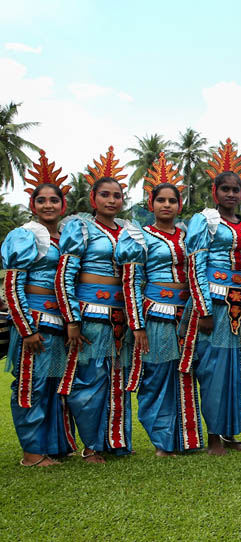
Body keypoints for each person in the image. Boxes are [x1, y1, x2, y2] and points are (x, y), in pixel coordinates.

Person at [182, 141, 241, 455]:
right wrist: (203, 309)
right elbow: (195, 265)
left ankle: (232, 433)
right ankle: (214, 436)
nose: (231, 194)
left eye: (236, 190)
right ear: (215, 191)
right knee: (214, 371)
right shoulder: (205, 221)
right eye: (226, 189)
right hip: (215, 306)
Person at [116, 153, 203, 456]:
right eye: (161, 200)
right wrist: (136, 324)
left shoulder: (189, 235)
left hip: (187, 316)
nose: (167, 205)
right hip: (156, 315)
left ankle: (186, 440)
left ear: (180, 205)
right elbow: (131, 282)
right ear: (150, 204)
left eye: (172, 200)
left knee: (185, 375)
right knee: (156, 378)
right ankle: (162, 442)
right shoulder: (139, 236)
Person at [55, 146, 135, 463]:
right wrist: (72, 319)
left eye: (117, 195)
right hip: (89, 315)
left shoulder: (129, 231)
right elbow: (65, 275)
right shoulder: (80, 227)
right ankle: (90, 445)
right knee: (88, 380)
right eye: (105, 195)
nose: (112, 200)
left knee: (116, 379)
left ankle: (114, 442)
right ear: (93, 198)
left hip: (121, 318)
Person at [2, 151, 77, 466]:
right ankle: (32, 453)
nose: (49, 205)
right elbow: (12, 285)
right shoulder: (24, 235)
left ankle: (52, 446)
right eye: (42, 200)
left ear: (64, 205)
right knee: (30, 385)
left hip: (59, 322)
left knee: (52, 385)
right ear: (33, 206)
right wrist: (26, 329)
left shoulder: (67, 238)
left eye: (54, 200)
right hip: (33, 320)